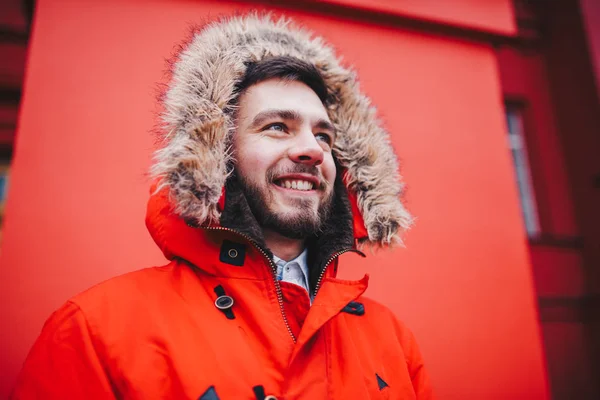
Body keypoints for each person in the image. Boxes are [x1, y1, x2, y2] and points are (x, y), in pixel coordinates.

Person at [12, 14, 433, 399]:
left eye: (324, 136)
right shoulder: (96, 330)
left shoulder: (393, 342)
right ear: (219, 155)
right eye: (276, 127)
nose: (311, 149)